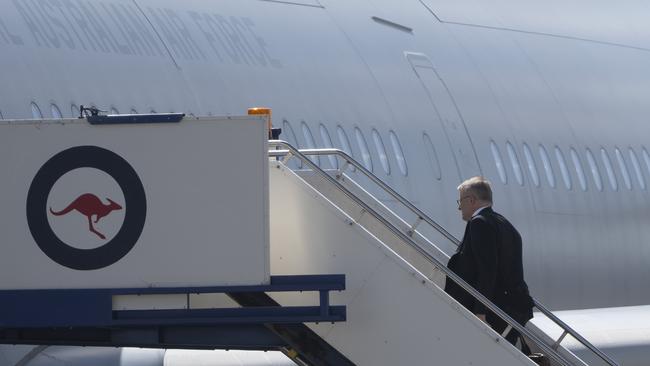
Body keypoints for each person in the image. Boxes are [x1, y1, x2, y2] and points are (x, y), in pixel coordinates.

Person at [444, 176, 534, 347]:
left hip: (495, 310)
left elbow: (487, 270)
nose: (459, 207)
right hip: (514, 306)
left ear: (471, 200)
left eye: (460, 201)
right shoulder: (504, 223)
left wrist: (480, 312)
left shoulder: (479, 223)